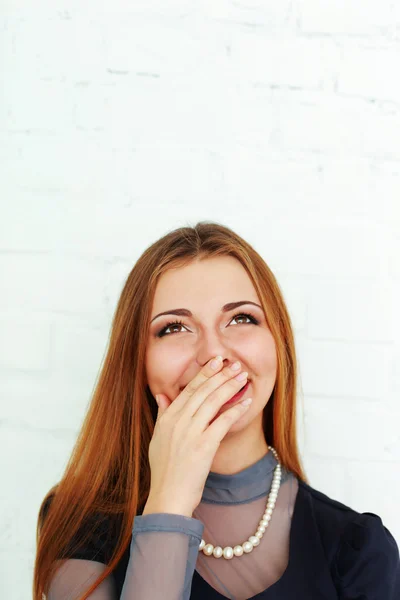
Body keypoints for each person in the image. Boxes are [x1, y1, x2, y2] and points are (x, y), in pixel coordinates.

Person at [33, 222, 400, 600]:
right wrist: (170, 500)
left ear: (278, 345)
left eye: (241, 319)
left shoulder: (359, 548)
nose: (213, 353)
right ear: (137, 361)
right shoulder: (80, 522)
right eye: (174, 327)